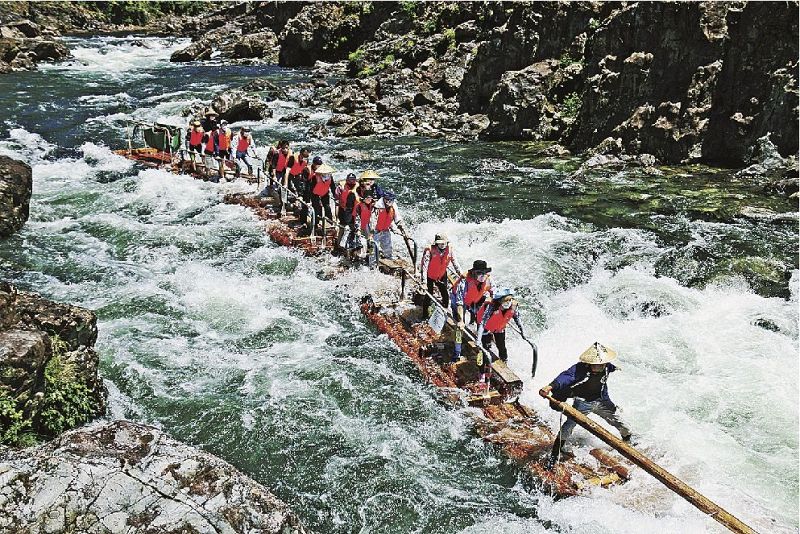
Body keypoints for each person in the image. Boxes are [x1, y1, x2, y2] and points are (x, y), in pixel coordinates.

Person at [540, 342, 632, 464]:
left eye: (599, 364)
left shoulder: (607, 367)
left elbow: (612, 368)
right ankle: (553, 457)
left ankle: (628, 445)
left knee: (622, 425)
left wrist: (617, 368)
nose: (596, 367)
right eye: (593, 364)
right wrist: (550, 386)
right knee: (567, 428)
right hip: (582, 403)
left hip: (602, 401)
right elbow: (565, 377)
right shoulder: (579, 369)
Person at [475, 288, 525, 384]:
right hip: (486, 328)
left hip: (499, 328)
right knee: (484, 350)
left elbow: (518, 319)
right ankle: (481, 372)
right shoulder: (492, 307)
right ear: (500, 301)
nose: (509, 302)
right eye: (506, 301)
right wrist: (478, 339)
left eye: (510, 300)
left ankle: (504, 364)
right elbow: (482, 323)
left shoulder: (513, 307)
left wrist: (523, 332)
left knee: (502, 347)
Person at [449, 260, 492, 361]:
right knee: (459, 328)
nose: (482, 275)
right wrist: (461, 321)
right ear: (473, 273)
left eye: (483, 273)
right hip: (459, 300)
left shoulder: (488, 279)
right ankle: (457, 352)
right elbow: (459, 302)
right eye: (479, 273)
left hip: (474, 299)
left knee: (483, 319)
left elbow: (493, 292)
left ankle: (483, 343)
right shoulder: (464, 282)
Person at [420, 234, 461, 319]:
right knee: (429, 294)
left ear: (446, 242)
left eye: (443, 243)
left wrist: (461, 274)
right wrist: (424, 282)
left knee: (445, 294)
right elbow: (424, 267)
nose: (442, 245)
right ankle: (424, 315)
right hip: (430, 276)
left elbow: (455, 263)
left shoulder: (450, 250)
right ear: (436, 243)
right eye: (439, 243)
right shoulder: (430, 250)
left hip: (442, 275)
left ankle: (444, 313)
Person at [373, 191, 405, 261]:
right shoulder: (377, 206)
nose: (389, 201)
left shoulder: (393, 206)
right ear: (384, 198)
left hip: (385, 229)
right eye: (387, 199)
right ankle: (372, 265)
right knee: (373, 249)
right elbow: (372, 221)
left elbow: (397, 218)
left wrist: (401, 229)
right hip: (375, 231)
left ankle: (388, 260)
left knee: (388, 248)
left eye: (391, 200)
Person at [336, 173, 359, 253]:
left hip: (354, 210)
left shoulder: (358, 187)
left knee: (353, 228)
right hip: (343, 210)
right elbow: (337, 198)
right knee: (342, 227)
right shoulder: (341, 186)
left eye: (353, 180)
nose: (352, 182)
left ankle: (351, 245)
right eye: (350, 180)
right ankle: (339, 245)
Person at [310, 163, 335, 230]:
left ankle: (330, 223)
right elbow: (310, 188)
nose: (325, 174)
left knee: (327, 208)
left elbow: (333, 187)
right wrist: (308, 199)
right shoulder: (315, 177)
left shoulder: (330, 177)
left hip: (325, 193)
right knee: (316, 208)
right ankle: (316, 224)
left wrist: (336, 197)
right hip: (315, 194)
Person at [353, 191, 375, 265]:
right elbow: (357, 218)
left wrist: (372, 230)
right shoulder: (359, 206)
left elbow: (372, 218)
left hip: (368, 227)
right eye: (368, 198)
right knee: (362, 243)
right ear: (364, 198)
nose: (369, 200)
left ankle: (370, 260)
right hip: (361, 226)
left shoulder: (371, 206)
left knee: (370, 244)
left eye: (370, 198)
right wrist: (358, 229)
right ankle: (359, 260)